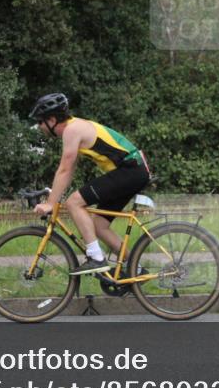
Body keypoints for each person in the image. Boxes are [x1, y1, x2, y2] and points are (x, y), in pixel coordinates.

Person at [28, 93, 151, 275]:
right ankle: (137, 271)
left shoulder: (72, 130)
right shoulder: (76, 126)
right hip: (133, 170)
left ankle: (96, 258)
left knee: (74, 202)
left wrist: (50, 203)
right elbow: (69, 169)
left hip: (130, 170)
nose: (39, 126)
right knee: (99, 226)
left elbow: (64, 169)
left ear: (52, 120)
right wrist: (53, 194)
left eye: (40, 121)